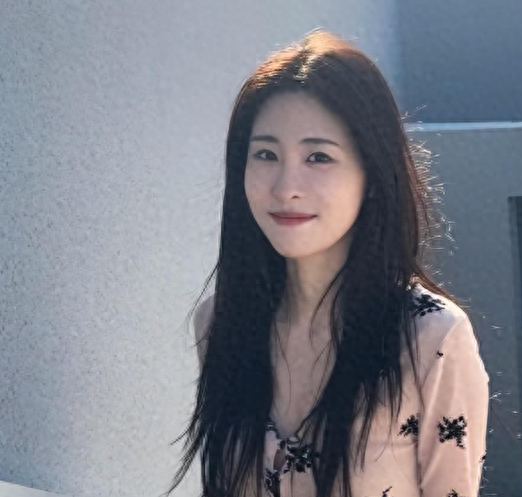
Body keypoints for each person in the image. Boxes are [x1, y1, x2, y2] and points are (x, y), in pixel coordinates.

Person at [163, 28, 490, 497]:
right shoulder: (220, 322)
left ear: (372, 175)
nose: (285, 187)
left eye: (318, 157)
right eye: (266, 154)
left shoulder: (432, 338)